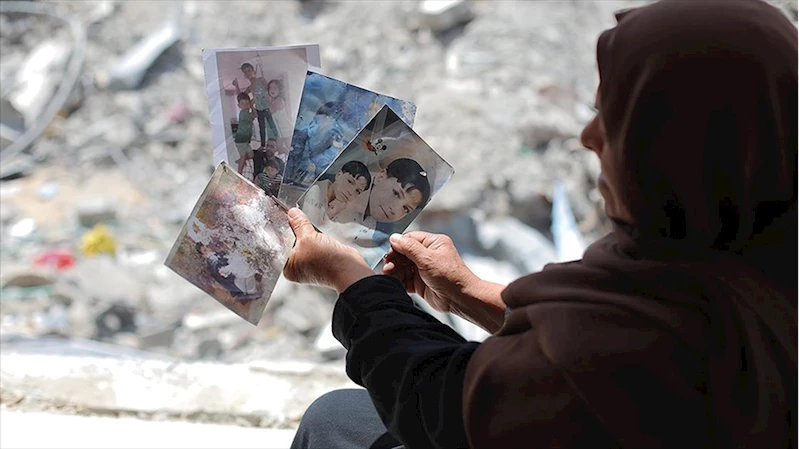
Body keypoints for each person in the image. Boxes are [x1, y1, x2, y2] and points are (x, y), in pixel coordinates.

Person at [283, 1, 798, 448]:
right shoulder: (737, 252)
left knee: (333, 427)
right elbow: (568, 345)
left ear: (677, 147)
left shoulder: (654, 332)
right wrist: (467, 292)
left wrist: (352, 281)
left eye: (619, 118)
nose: (589, 137)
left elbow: (447, 408)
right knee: (339, 416)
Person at [320, 157, 431, 267]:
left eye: (405, 208)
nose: (394, 209)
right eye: (396, 193)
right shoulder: (338, 193)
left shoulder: (371, 227)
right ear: (381, 177)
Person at [300, 160, 372, 224]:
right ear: (338, 174)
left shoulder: (345, 212)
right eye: (350, 181)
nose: (351, 192)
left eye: (358, 191)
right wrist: (331, 212)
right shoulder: (312, 189)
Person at [233, 62, 279, 151]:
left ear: (253, 71)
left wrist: (272, 102)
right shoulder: (250, 87)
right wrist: (237, 85)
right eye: (245, 72)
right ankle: (263, 145)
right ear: (244, 75)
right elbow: (242, 97)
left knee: (272, 125)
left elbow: (269, 91)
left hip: (267, 108)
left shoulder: (261, 80)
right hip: (259, 109)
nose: (247, 73)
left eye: (249, 70)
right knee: (262, 128)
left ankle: (277, 143)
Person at [231, 93, 254, 176]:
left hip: (245, 140)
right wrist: (252, 106)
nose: (245, 106)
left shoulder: (246, 112)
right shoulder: (244, 113)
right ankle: (239, 173)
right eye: (243, 104)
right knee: (243, 156)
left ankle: (241, 159)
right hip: (241, 139)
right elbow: (254, 115)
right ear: (239, 105)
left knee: (251, 155)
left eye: (247, 103)